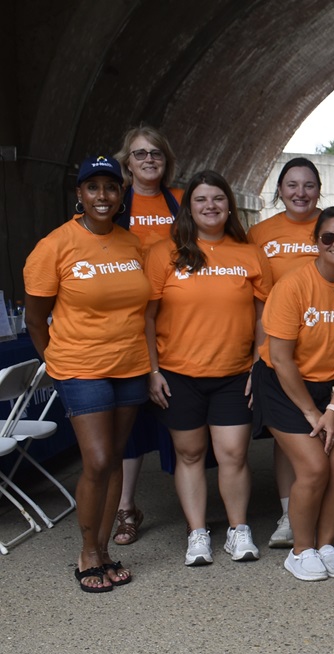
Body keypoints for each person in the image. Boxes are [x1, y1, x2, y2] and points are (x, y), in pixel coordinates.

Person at [24, 156, 150, 592]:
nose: (102, 195)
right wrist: (55, 364)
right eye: (92, 187)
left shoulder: (132, 244)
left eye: (111, 188)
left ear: (121, 195)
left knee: (113, 457)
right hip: (80, 368)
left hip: (130, 365)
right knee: (96, 459)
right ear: (78, 194)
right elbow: (36, 319)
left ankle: (106, 549)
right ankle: (88, 551)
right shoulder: (54, 246)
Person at [145, 171, 272, 566]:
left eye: (218, 198)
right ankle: (197, 533)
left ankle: (238, 530)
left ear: (229, 205)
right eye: (201, 199)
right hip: (178, 373)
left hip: (234, 373)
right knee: (189, 453)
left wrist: (258, 366)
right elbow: (146, 317)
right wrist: (152, 370)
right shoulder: (164, 254)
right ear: (189, 208)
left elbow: (262, 316)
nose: (211, 206)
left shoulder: (249, 254)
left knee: (233, 453)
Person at [252, 207, 334, 581]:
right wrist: (310, 412)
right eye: (329, 237)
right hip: (285, 386)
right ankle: (300, 551)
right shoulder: (293, 285)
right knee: (315, 467)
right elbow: (281, 358)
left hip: (332, 388)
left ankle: (325, 544)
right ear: (315, 241)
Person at [111, 125, 183, 547]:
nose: (149, 160)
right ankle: (125, 508)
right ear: (128, 162)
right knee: (130, 420)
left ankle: (195, 504)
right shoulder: (115, 202)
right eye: (139, 154)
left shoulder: (180, 201)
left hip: (175, 321)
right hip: (126, 323)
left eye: (155, 153)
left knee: (179, 412)